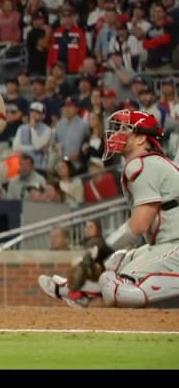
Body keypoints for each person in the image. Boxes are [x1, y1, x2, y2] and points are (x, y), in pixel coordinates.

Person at [38, 109, 179, 308]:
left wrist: (99, 251)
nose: (116, 134)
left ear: (140, 139)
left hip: (175, 245)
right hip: (166, 244)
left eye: (124, 129)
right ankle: (78, 292)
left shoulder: (145, 165)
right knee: (116, 261)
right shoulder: (147, 163)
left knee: (114, 285)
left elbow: (139, 225)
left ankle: (99, 288)